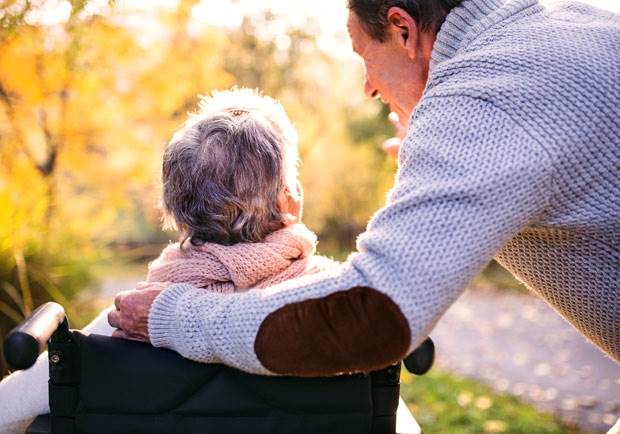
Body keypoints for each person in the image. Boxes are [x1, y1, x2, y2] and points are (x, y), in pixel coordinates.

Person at [111, 0, 619, 388]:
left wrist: (171, 314)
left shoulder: (483, 101)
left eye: (363, 54)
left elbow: (371, 316)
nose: (368, 89)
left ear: (402, 30)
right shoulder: (568, 22)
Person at [0, 88, 337, 433]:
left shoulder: (125, 322)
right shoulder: (345, 309)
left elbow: (5, 410)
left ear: (178, 210)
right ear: (290, 202)